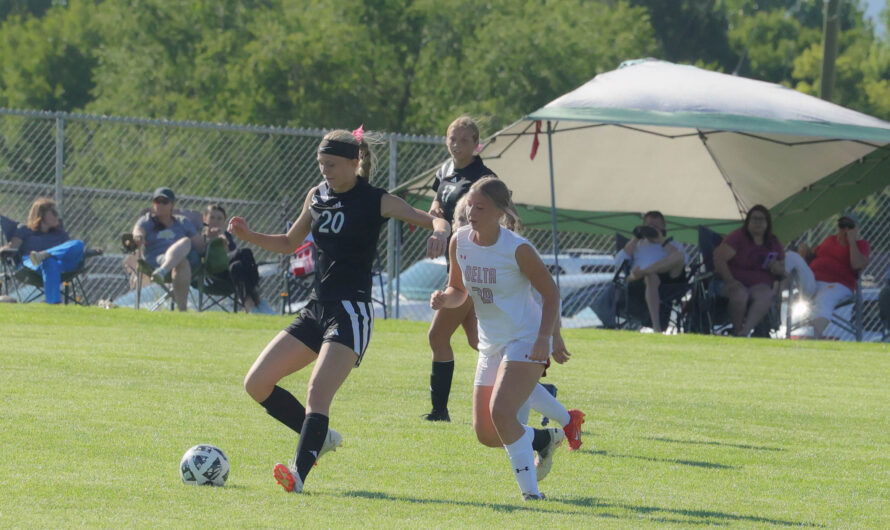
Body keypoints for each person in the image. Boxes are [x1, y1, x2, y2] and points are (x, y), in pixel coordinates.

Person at [231, 127, 451, 494]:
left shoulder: (376, 199)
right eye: (321, 165)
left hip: (352, 312)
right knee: (256, 383)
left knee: (318, 390)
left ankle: (298, 474)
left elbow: (434, 220)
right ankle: (321, 437)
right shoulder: (316, 195)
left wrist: (441, 232)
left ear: (354, 162)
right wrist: (250, 236)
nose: (325, 172)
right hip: (316, 309)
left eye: (332, 165)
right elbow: (289, 243)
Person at [430, 177, 580, 501]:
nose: (471, 212)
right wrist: (445, 298)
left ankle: (532, 495)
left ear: (499, 212)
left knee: (502, 413)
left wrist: (546, 339)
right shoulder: (460, 242)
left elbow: (551, 293)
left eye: (480, 207)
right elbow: (459, 291)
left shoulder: (517, 248)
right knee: (486, 433)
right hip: (491, 342)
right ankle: (546, 438)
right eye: (470, 204)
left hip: (525, 337)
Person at [424, 116, 496, 422]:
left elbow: (497, 217)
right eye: (452, 138)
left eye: (464, 140)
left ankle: (439, 412)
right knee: (479, 342)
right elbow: (435, 205)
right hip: (456, 264)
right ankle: (542, 391)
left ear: (476, 143)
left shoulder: (484, 178)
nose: (457, 145)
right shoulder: (444, 171)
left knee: (438, 337)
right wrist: (436, 214)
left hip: (471, 264)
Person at [792, 212, 871, 339]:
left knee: (824, 299)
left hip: (837, 285)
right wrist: (804, 252)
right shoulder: (830, 240)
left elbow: (857, 265)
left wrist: (851, 241)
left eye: (849, 226)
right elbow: (813, 256)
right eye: (842, 225)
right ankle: (774, 297)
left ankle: (813, 336)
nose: (845, 229)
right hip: (813, 281)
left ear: (857, 228)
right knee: (791, 257)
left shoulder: (862, 245)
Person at [128, 187, 205, 311]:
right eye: (157, 201)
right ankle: (182, 309)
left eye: (165, 202)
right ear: (153, 204)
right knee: (182, 258)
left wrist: (212, 237)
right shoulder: (147, 221)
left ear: (172, 205)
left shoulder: (182, 222)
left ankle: (181, 309)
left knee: (184, 252)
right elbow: (138, 230)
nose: (161, 205)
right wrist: (138, 236)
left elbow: (201, 246)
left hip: (176, 264)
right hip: (156, 261)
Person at [713, 205, 785, 337]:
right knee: (740, 294)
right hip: (732, 281)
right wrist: (730, 281)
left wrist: (776, 267)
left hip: (760, 284)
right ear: (748, 222)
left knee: (766, 295)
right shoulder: (738, 237)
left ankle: (745, 331)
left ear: (767, 223)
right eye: (754, 219)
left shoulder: (773, 242)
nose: (758, 222)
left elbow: (782, 269)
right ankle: (737, 329)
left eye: (762, 219)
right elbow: (718, 258)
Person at [0, 198, 85, 304]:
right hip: (30, 263)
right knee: (49, 262)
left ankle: (45, 254)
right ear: (40, 215)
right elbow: (11, 247)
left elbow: (68, 249)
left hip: (60, 264)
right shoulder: (24, 230)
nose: (56, 215)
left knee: (78, 243)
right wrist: (3, 249)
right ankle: (54, 304)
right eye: (52, 212)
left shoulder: (60, 234)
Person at [623, 210, 688, 333]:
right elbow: (619, 261)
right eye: (649, 226)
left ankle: (646, 271)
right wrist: (636, 237)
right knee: (651, 277)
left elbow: (684, 260)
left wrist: (661, 241)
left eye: (655, 226)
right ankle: (656, 328)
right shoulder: (638, 244)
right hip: (642, 282)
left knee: (679, 255)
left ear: (663, 227)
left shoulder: (672, 244)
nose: (652, 228)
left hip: (670, 281)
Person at [203, 203, 261, 313]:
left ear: (224, 222)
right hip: (214, 273)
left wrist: (222, 237)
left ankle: (250, 306)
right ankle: (255, 290)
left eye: (219, 218)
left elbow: (229, 256)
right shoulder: (202, 238)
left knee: (237, 266)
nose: (215, 221)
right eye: (212, 217)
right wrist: (216, 239)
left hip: (229, 273)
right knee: (245, 252)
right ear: (205, 219)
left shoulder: (226, 236)